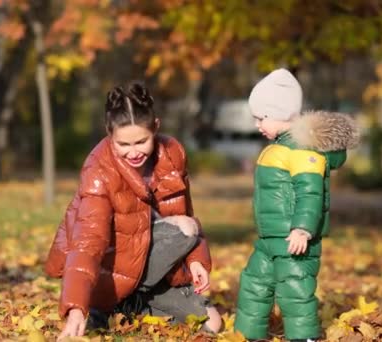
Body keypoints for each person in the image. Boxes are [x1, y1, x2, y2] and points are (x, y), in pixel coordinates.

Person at [45, 82, 222, 340]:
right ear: (109, 133)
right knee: (184, 227)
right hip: (110, 266)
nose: (133, 152)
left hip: (150, 265)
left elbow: (186, 209)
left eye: (141, 141)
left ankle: (131, 305)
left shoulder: (172, 154)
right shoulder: (98, 171)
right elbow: (88, 242)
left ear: (156, 128)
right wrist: (75, 306)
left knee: (212, 324)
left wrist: (196, 260)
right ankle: (102, 305)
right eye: (123, 144)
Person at [233, 69, 359, 341]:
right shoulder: (280, 147)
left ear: (281, 113)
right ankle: (247, 334)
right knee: (254, 283)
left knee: (294, 290)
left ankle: (303, 337)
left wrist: (303, 228)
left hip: (293, 239)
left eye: (262, 117)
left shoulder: (303, 152)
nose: (257, 124)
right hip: (270, 238)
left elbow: (310, 193)